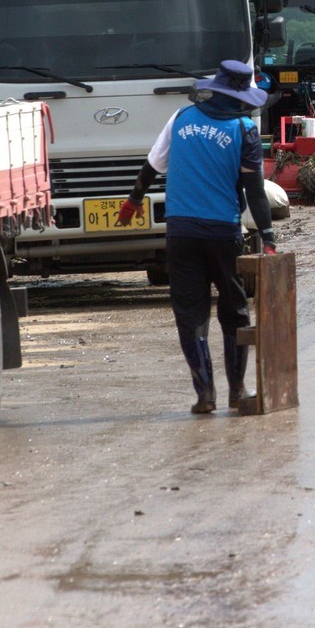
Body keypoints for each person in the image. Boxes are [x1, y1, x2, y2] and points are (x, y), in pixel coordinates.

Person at [116, 59, 277, 414]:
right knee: (234, 312)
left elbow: (152, 166)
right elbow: (254, 191)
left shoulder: (181, 119)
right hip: (223, 233)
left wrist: (133, 201)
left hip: (181, 232)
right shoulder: (245, 129)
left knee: (191, 314)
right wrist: (267, 236)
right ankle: (237, 392)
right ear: (239, 96)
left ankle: (205, 394)